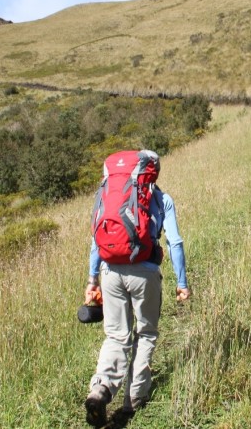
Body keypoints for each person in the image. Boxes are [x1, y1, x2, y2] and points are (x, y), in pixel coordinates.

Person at [84, 151, 190, 426]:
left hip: (110, 271)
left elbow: (97, 240)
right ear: (153, 172)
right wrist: (182, 283)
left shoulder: (109, 196)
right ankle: (133, 399)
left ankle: (100, 388)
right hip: (145, 272)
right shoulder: (162, 200)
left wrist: (92, 280)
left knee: (116, 336)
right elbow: (175, 243)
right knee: (146, 333)